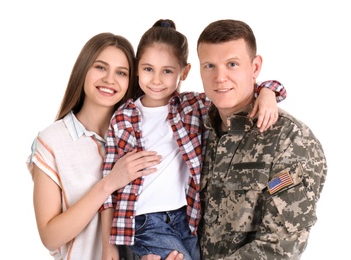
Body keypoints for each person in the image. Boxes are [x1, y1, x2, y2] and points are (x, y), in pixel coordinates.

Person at [100, 19, 287, 260]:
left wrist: (268, 93)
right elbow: (109, 184)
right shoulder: (123, 118)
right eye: (148, 69)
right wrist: (109, 245)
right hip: (144, 220)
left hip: (185, 218)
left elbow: (236, 93)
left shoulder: (191, 106)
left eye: (167, 71)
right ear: (137, 68)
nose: (156, 80)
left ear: (185, 72)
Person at [162, 19, 327, 260]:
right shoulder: (196, 127)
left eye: (232, 64)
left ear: (255, 66)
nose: (220, 77)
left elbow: (280, 247)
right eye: (209, 65)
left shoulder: (290, 140)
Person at [26, 32, 163, 260]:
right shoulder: (52, 142)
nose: (110, 79)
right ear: (83, 70)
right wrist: (109, 182)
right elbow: (50, 236)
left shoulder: (143, 135)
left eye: (121, 72)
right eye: (100, 67)